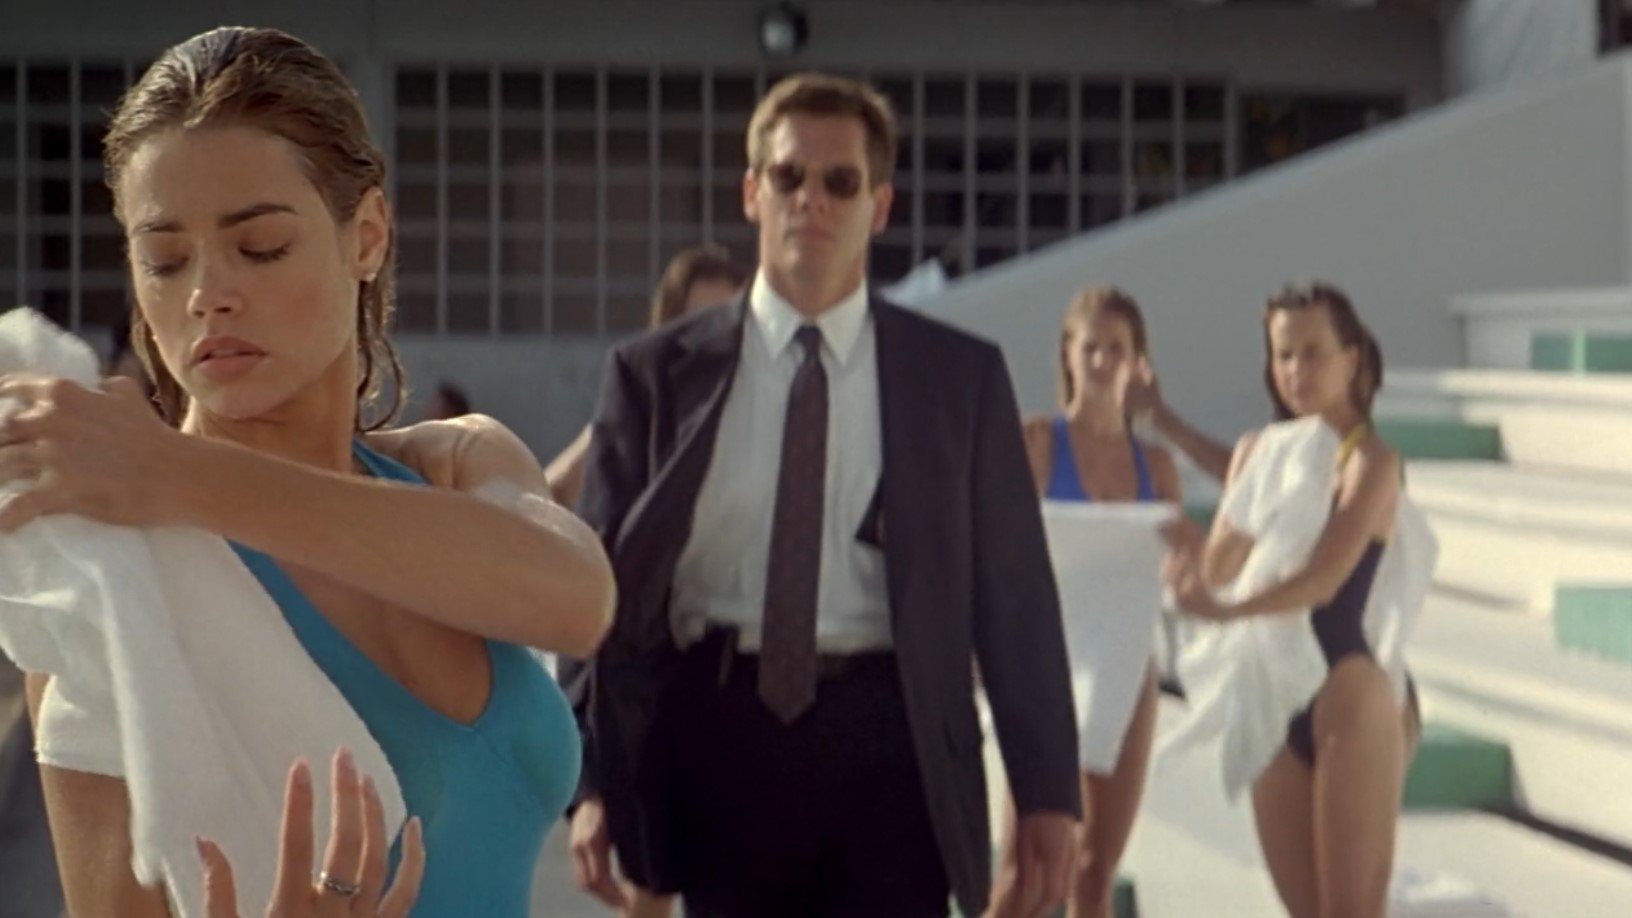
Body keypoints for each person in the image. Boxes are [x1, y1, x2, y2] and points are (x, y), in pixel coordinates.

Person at [2, 26, 613, 915]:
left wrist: (170, 470)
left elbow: (578, 600)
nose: (206, 293)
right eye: (164, 259)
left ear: (367, 235)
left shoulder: (453, 462)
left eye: (260, 246)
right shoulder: (116, 576)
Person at [565, 72, 1080, 918]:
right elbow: (594, 584)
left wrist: (1048, 792)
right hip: (715, 738)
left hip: (895, 748)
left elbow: (1015, 597)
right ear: (751, 193)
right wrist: (587, 780)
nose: (812, 199)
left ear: (879, 206)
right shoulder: (652, 375)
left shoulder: (959, 380)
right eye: (788, 176)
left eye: (841, 181)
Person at [1161, 282, 1415, 918]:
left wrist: (1226, 609)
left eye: (1312, 353)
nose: (1296, 371)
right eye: (1283, 355)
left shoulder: (1372, 462)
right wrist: (1194, 566)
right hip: (1272, 692)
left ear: (1351, 359)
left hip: (1347, 689)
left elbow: (1324, 579)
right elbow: (1219, 568)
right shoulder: (1260, 452)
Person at [991, 287, 1178, 918]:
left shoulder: (1157, 465)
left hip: (1127, 668)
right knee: (1024, 878)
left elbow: (1179, 575)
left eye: (1116, 349)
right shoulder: (1036, 443)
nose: (1102, 361)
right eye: (1090, 346)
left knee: (1095, 875)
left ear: (1138, 361)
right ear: (1067, 353)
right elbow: (993, 556)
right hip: (1046, 667)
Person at [545, 244, 749, 508]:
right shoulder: (642, 415)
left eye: (724, 322)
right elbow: (548, 493)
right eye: (698, 322)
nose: (714, 338)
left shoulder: (762, 406)